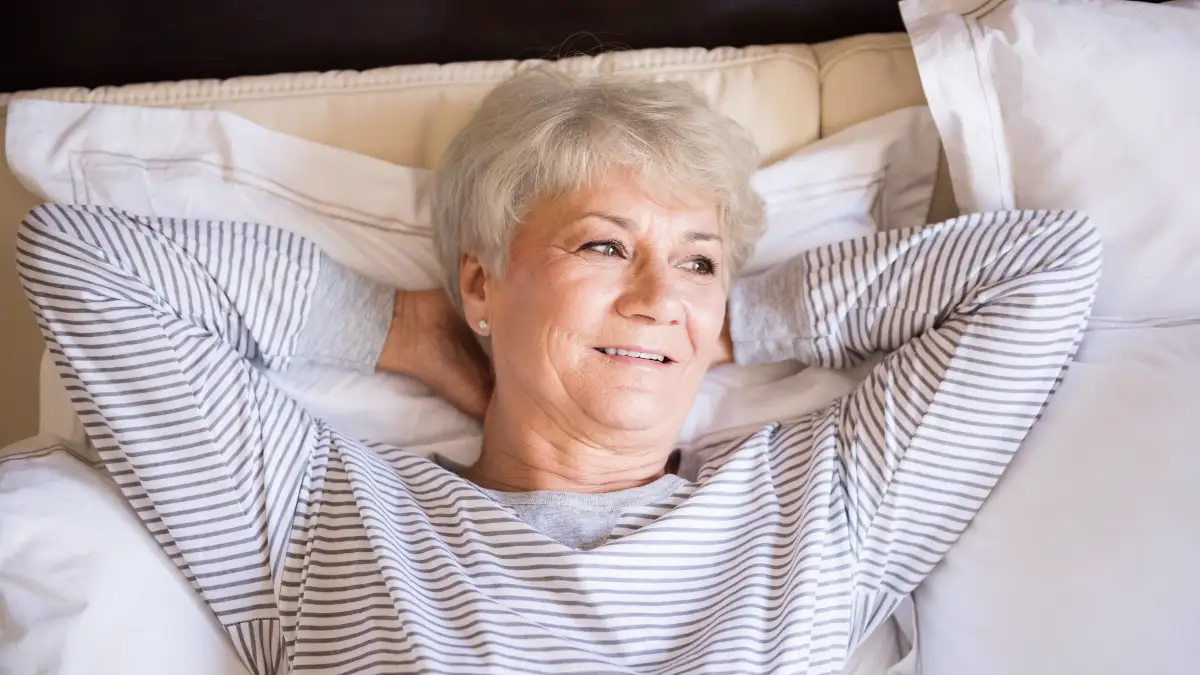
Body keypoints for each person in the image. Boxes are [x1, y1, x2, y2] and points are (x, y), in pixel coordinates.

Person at [16, 70, 1101, 674]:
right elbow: (83, 260)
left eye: (698, 257)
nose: (656, 291)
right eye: (601, 245)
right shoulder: (324, 517)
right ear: (483, 284)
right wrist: (407, 331)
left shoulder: (817, 507)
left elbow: (1043, 269)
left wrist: (718, 322)